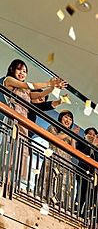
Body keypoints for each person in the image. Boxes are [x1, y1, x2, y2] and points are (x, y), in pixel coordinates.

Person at [2, 59, 66, 187]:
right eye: (19, 69)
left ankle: (13, 183)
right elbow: (28, 85)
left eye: (25, 71)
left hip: (24, 122)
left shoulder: (26, 90)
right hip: (13, 119)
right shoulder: (8, 80)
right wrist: (49, 83)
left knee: (22, 152)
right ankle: (4, 180)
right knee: (11, 149)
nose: (22, 73)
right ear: (12, 69)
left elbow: (39, 94)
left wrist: (52, 87)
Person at [76, 127, 98, 218]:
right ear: (85, 135)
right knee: (81, 194)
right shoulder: (81, 143)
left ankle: (85, 215)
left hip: (94, 175)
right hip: (83, 171)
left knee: (91, 196)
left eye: (94, 135)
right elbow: (81, 155)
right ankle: (76, 212)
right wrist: (93, 144)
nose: (92, 136)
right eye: (90, 134)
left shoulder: (97, 147)